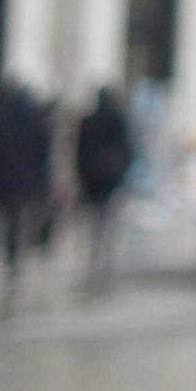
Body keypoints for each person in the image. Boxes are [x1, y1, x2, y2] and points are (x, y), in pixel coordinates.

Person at [0, 73, 55, 300]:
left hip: (4, 179)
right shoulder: (34, 117)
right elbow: (43, 149)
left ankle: (11, 256)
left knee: (7, 220)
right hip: (25, 179)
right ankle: (16, 255)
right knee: (18, 218)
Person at [73, 85, 137, 291]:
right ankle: (105, 268)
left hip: (92, 184)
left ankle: (94, 265)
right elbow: (128, 150)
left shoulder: (88, 121)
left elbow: (79, 154)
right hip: (111, 182)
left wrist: (82, 178)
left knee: (95, 227)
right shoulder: (118, 120)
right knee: (109, 226)